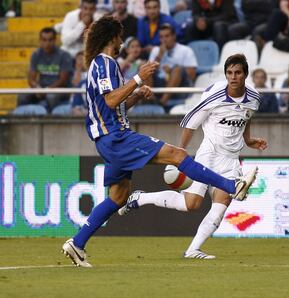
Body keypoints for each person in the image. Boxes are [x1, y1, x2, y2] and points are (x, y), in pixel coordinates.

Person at [61, 16, 258, 267]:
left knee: (119, 197)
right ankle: (232, 185)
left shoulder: (105, 65)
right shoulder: (104, 62)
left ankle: (77, 244)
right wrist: (138, 79)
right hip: (116, 137)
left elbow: (112, 106)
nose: (122, 41)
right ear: (112, 37)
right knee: (177, 155)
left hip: (111, 138)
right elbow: (110, 101)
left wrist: (135, 97)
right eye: (120, 36)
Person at [117, 54, 267, 259]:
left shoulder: (254, 97)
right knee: (192, 204)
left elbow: (246, 117)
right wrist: (180, 153)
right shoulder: (214, 94)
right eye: (230, 73)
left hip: (231, 158)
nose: (233, 77)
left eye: (238, 73)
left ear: (245, 74)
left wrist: (248, 141)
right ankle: (141, 198)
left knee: (221, 206)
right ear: (225, 74)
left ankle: (193, 250)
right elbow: (190, 122)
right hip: (210, 153)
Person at [16, 27, 73, 113]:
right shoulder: (36, 54)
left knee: (51, 97)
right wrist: (37, 88)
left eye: (50, 40)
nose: (47, 43)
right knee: (22, 96)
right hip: (41, 89)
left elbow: (63, 80)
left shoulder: (64, 55)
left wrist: (47, 90)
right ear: (40, 41)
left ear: (55, 40)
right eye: (44, 40)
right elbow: (31, 79)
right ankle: (20, 122)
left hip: (60, 89)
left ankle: (51, 123)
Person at [148, 23, 197, 109]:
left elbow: (192, 75)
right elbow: (149, 73)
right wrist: (159, 55)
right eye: (161, 37)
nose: (164, 40)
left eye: (167, 36)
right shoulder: (156, 51)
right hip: (159, 84)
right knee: (145, 69)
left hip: (179, 86)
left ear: (174, 36)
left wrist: (172, 72)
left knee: (177, 69)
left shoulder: (186, 50)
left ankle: (162, 102)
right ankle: (151, 101)